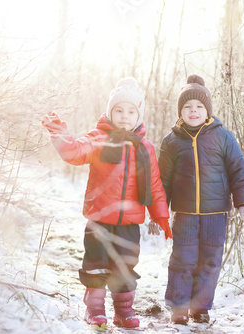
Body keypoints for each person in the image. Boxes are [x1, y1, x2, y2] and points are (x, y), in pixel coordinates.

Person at [41, 77, 172, 329]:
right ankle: (95, 311)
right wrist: (59, 132)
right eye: (119, 110)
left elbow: (155, 185)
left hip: (129, 223)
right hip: (99, 219)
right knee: (96, 266)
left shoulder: (145, 147)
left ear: (139, 115)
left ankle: (124, 311)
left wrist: (161, 216)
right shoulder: (100, 138)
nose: (125, 116)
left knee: (125, 266)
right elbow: (75, 152)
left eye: (131, 111)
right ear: (110, 112)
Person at [153, 74, 244, 325]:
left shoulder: (223, 137)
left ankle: (200, 308)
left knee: (209, 263)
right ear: (180, 111)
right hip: (185, 214)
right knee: (182, 261)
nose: (193, 111)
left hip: (216, 215)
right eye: (187, 107)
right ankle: (178, 308)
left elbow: (238, 171)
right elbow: (162, 180)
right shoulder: (172, 140)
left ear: (207, 110)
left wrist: (243, 203)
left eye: (199, 106)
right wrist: (158, 213)